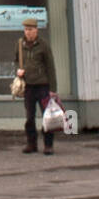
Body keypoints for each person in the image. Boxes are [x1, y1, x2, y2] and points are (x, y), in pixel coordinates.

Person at [15, 17, 58, 155]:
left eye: (31, 29)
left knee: (48, 117)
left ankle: (48, 145)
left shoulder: (43, 45)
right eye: (26, 29)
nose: (28, 32)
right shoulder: (20, 44)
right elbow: (16, 60)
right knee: (29, 117)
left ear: (36, 30)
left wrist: (53, 89)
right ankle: (31, 144)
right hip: (28, 86)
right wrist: (18, 70)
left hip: (43, 86)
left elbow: (50, 66)